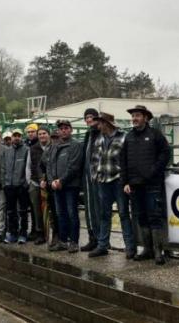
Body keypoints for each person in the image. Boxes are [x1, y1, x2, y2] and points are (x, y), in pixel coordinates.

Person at [121, 105, 171, 265]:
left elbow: (165, 153)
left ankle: (158, 251)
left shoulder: (155, 135)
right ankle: (147, 249)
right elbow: (122, 161)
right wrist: (125, 181)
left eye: (137, 115)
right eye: (133, 115)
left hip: (152, 184)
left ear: (146, 118)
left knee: (155, 216)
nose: (134, 118)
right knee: (141, 217)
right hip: (135, 185)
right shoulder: (128, 137)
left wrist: (154, 171)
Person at [88, 113, 136, 259]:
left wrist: (126, 179)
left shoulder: (123, 137)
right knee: (104, 214)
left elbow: (129, 159)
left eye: (100, 123)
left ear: (107, 124)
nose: (98, 125)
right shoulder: (99, 139)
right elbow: (94, 159)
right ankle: (103, 245)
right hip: (103, 181)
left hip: (118, 181)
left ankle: (130, 247)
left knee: (123, 214)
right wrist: (95, 176)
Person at [45, 120, 83, 253]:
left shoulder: (76, 145)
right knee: (60, 214)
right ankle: (62, 241)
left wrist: (61, 180)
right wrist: (51, 181)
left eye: (66, 128)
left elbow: (74, 167)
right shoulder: (54, 146)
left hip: (70, 186)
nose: (63, 130)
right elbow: (49, 165)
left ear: (71, 130)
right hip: (56, 187)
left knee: (72, 213)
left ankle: (74, 242)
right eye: (61, 129)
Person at [2, 129, 31, 244]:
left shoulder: (26, 150)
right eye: (15, 136)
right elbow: (3, 168)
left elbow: (28, 168)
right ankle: (13, 233)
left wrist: (25, 183)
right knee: (10, 211)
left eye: (19, 136)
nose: (16, 138)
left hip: (21, 186)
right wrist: (4, 183)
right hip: (9, 186)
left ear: (21, 137)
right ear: (11, 137)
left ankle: (23, 233)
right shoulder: (7, 151)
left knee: (23, 211)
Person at [80, 108, 102, 252]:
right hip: (87, 178)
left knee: (99, 209)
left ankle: (101, 240)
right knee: (89, 209)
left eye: (91, 117)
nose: (89, 120)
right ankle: (92, 238)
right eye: (86, 117)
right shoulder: (88, 135)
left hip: (98, 177)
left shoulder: (101, 134)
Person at [26, 126, 49, 245]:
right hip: (35, 183)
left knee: (52, 210)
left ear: (48, 134)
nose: (42, 136)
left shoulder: (53, 146)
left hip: (50, 184)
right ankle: (39, 233)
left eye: (44, 133)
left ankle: (53, 234)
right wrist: (29, 181)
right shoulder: (32, 148)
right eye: (40, 134)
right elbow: (28, 166)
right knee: (36, 210)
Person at [24, 123, 39, 240]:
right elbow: (27, 165)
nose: (30, 134)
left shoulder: (39, 144)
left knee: (39, 209)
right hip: (31, 181)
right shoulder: (26, 144)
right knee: (32, 208)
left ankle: (39, 230)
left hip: (40, 181)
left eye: (32, 131)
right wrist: (28, 181)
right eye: (28, 132)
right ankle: (34, 229)